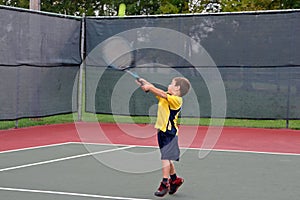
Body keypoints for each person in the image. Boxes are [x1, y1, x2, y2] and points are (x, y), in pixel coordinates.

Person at [136, 77, 191, 197]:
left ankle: (165, 183)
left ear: (177, 88)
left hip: (169, 133)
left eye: (172, 83)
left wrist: (149, 87)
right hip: (161, 131)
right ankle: (175, 180)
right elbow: (157, 91)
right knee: (167, 158)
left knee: (165, 158)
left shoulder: (177, 100)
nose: (169, 84)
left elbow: (160, 92)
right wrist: (144, 82)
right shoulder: (166, 96)